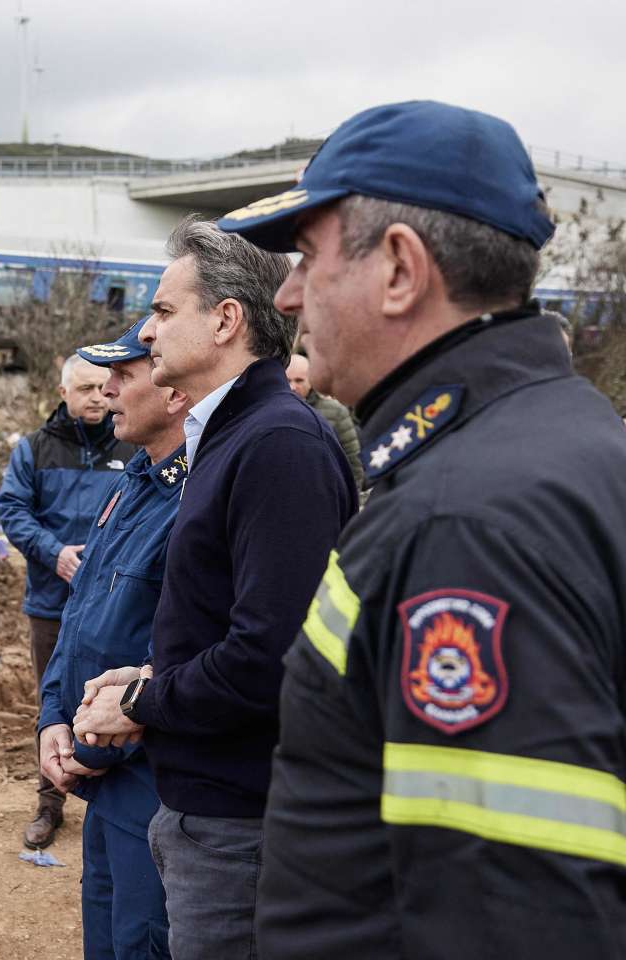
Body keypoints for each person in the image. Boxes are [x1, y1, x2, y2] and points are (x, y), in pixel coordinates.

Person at [217, 99, 626, 957]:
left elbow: (513, 921)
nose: (288, 294)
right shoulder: (565, 435)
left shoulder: (461, 519)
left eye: (309, 257)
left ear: (400, 269)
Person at [71, 218, 357, 959]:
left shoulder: (277, 444)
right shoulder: (237, 436)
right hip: (210, 807)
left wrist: (142, 700)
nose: (146, 329)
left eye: (164, 312)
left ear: (226, 320)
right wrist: (148, 674)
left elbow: (275, 655)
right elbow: (233, 619)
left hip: (241, 821)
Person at [37, 318, 189, 959]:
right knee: (104, 934)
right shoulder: (132, 482)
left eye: (124, 377)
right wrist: (52, 715)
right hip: (101, 772)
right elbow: (80, 619)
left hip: (146, 776)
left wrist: (94, 749)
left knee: (141, 940)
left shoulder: (193, 497)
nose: (109, 393)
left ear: (173, 392)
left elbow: (173, 655)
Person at [0, 353, 137, 849]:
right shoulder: (34, 448)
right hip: (51, 600)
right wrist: (53, 553)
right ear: (64, 394)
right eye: (85, 389)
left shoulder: (132, 444)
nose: (97, 397)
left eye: (104, 387)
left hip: (116, 606)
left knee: (117, 698)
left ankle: (110, 793)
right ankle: (49, 801)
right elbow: (12, 510)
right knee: (52, 700)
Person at [286, 353, 363, 489]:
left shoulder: (336, 413)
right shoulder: (270, 411)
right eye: (288, 380)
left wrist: (353, 502)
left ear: (310, 380)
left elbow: (354, 462)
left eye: (299, 381)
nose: (293, 387)